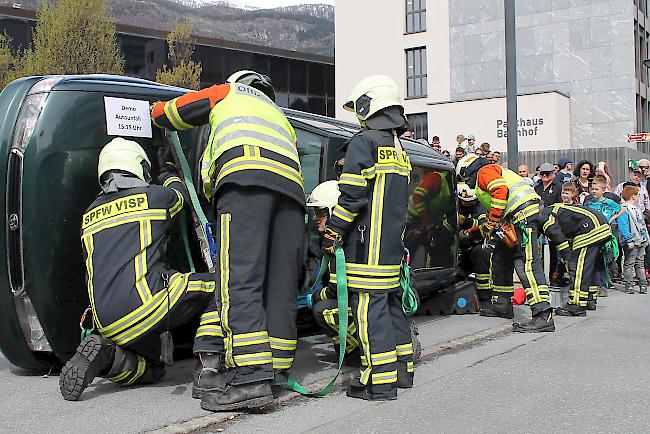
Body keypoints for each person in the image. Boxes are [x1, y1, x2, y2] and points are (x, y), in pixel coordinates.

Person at [152, 70, 306, 411]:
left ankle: (250, 378)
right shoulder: (281, 117)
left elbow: (172, 112)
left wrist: (153, 111)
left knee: (240, 280)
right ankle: (275, 372)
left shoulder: (227, 93)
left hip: (244, 185)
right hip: (292, 196)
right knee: (279, 286)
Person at [59, 138, 221, 401]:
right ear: (138, 167)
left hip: (106, 322)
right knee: (223, 285)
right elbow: (181, 195)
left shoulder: (89, 214)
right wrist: (168, 170)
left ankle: (108, 355)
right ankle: (210, 368)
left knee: (153, 369)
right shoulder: (154, 197)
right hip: (145, 305)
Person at [324, 75, 414, 400]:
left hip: (365, 247)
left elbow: (351, 197)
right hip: (390, 247)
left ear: (368, 105)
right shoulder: (398, 149)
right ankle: (403, 371)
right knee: (392, 308)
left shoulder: (365, 142)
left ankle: (378, 382)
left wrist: (333, 231)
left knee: (368, 312)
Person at [456, 154, 554, 332]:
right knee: (501, 257)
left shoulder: (484, 172)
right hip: (516, 217)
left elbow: (500, 191)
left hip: (522, 215)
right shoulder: (490, 173)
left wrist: (491, 223)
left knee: (526, 264)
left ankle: (543, 314)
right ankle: (502, 305)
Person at [539, 203, 612, 316]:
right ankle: (589, 299)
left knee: (579, 267)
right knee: (590, 268)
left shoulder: (544, 216)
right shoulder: (555, 210)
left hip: (589, 228)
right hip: (600, 225)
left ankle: (576, 305)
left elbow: (559, 239)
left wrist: (567, 260)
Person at [584, 176, 623, 298]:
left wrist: (611, 219)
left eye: (596, 189)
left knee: (602, 261)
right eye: (592, 189)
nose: (594, 191)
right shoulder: (589, 202)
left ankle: (602, 285)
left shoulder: (609, 202)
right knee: (592, 261)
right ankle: (593, 285)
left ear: (603, 190)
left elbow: (622, 209)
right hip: (591, 235)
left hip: (605, 236)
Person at [456, 183, 493, 311]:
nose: (466, 205)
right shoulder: (457, 205)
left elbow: (483, 224)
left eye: (469, 202)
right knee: (458, 274)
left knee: (480, 259)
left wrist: (466, 222)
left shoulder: (480, 207)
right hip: (462, 249)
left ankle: (485, 299)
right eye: (464, 202)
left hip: (477, 246)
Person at [535, 162, 564, 286]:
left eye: (548, 173)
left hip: (553, 223)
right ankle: (539, 280)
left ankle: (554, 278)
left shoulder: (559, 187)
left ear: (554, 174)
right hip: (538, 223)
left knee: (555, 252)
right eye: (542, 173)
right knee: (537, 252)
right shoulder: (537, 187)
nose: (545, 176)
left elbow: (560, 205)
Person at [619, 185, 649, 294]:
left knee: (640, 263)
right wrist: (628, 240)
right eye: (638, 195)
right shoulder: (624, 209)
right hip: (632, 241)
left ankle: (643, 284)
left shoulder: (637, 209)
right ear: (633, 196)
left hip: (641, 240)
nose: (639, 198)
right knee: (629, 263)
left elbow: (642, 225)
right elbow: (623, 226)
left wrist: (646, 239)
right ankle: (629, 284)